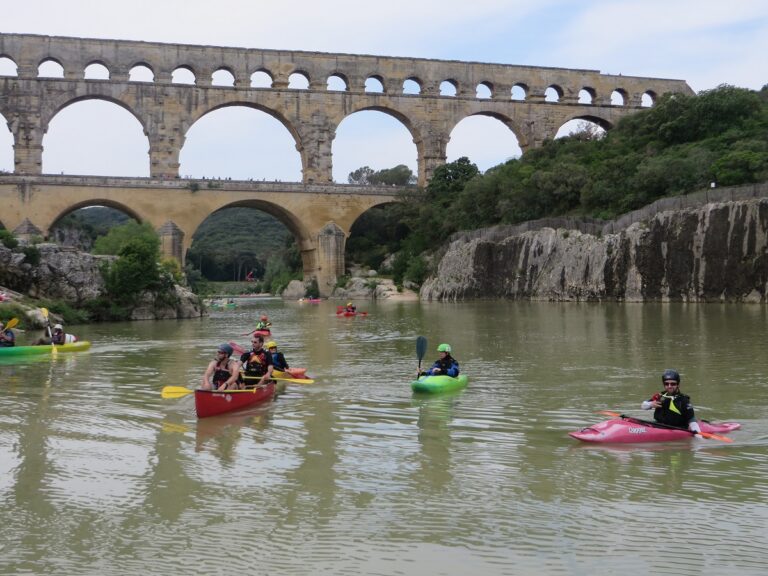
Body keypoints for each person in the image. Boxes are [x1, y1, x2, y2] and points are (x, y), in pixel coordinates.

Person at [641, 369, 702, 434]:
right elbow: (643, 406)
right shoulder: (660, 396)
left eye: (673, 384)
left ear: (678, 384)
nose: (669, 386)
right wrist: (651, 404)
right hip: (658, 426)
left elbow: (692, 420)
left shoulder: (684, 400)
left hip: (676, 429)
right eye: (666, 384)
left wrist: (698, 436)